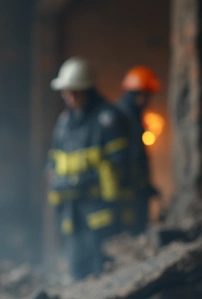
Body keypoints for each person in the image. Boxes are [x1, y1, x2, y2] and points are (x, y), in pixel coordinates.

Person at [46, 57, 135, 281]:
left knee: (103, 270)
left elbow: (119, 163)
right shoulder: (65, 122)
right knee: (77, 270)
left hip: (101, 213)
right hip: (72, 213)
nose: (71, 97)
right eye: (66, 92)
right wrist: (55, 179)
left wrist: (81, 180)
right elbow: (53, 161)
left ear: (88, 89)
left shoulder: (108, 119)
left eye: (76, 92)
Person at [115, 65, 161, 234]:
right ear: (139, 95)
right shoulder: (123, 117)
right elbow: (130, 158)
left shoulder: (133, 117)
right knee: (131, 232)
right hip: (128, 194)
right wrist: (140, 186)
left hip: (135, 190)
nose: (148, 101)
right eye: (147, 95)